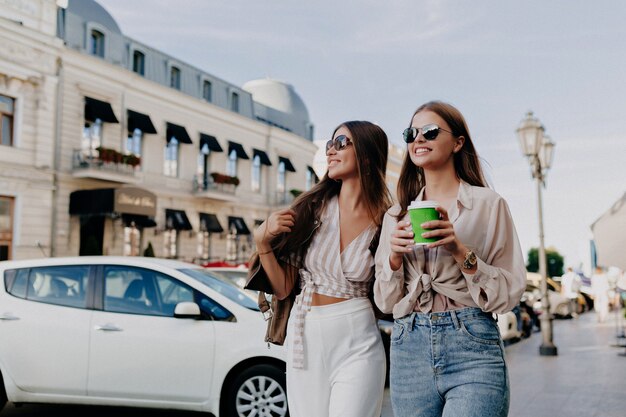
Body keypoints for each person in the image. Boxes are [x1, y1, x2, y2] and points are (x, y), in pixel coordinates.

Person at [374, 101, 526, 417]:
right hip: (409, 344)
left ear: (458, 142)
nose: (418, 139)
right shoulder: (396, 214)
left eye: (430, 132)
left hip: (472, 341)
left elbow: (509, 292)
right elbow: (386, 303)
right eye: (410, 133)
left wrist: (459, 249)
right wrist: (394, 259)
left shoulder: (489, 205)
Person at [253, 121, 392, 417]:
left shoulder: (387, 221)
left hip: (359, 339)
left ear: (366, 156)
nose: (331, 149)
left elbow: (389, 291)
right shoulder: (311, 209)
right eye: (330, 143)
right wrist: (262, 243)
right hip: (306, 333)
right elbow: (284, 288)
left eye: (342, 142)